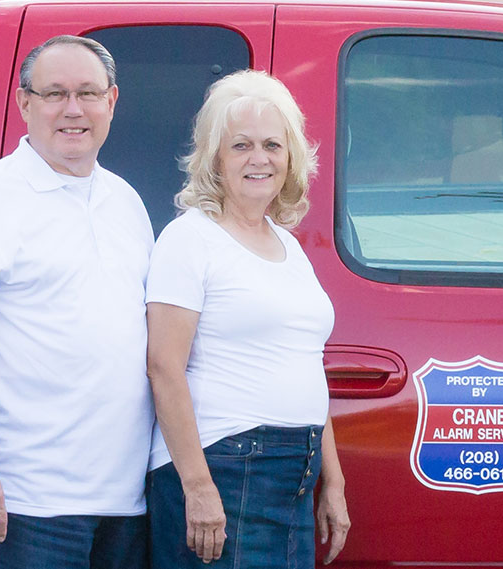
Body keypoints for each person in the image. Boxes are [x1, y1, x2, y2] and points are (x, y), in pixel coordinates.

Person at [0, 35, 154, 569]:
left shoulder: (127, 203)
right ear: (24, 103)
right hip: (26, 505)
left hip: (126, 503)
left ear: (112, 101)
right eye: (54, 94)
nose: (73, 109)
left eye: (88, 93)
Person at [145, 69, 350, 568]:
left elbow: (305, 364)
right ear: (215, 158)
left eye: (272, 145)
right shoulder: (190, 238)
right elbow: (163, 368)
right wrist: (198, 489)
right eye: (240, 145)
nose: (259, 159)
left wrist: (334, 481)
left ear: (291, 157)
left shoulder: (287, 245)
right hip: (226, 470)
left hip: (291, 477)